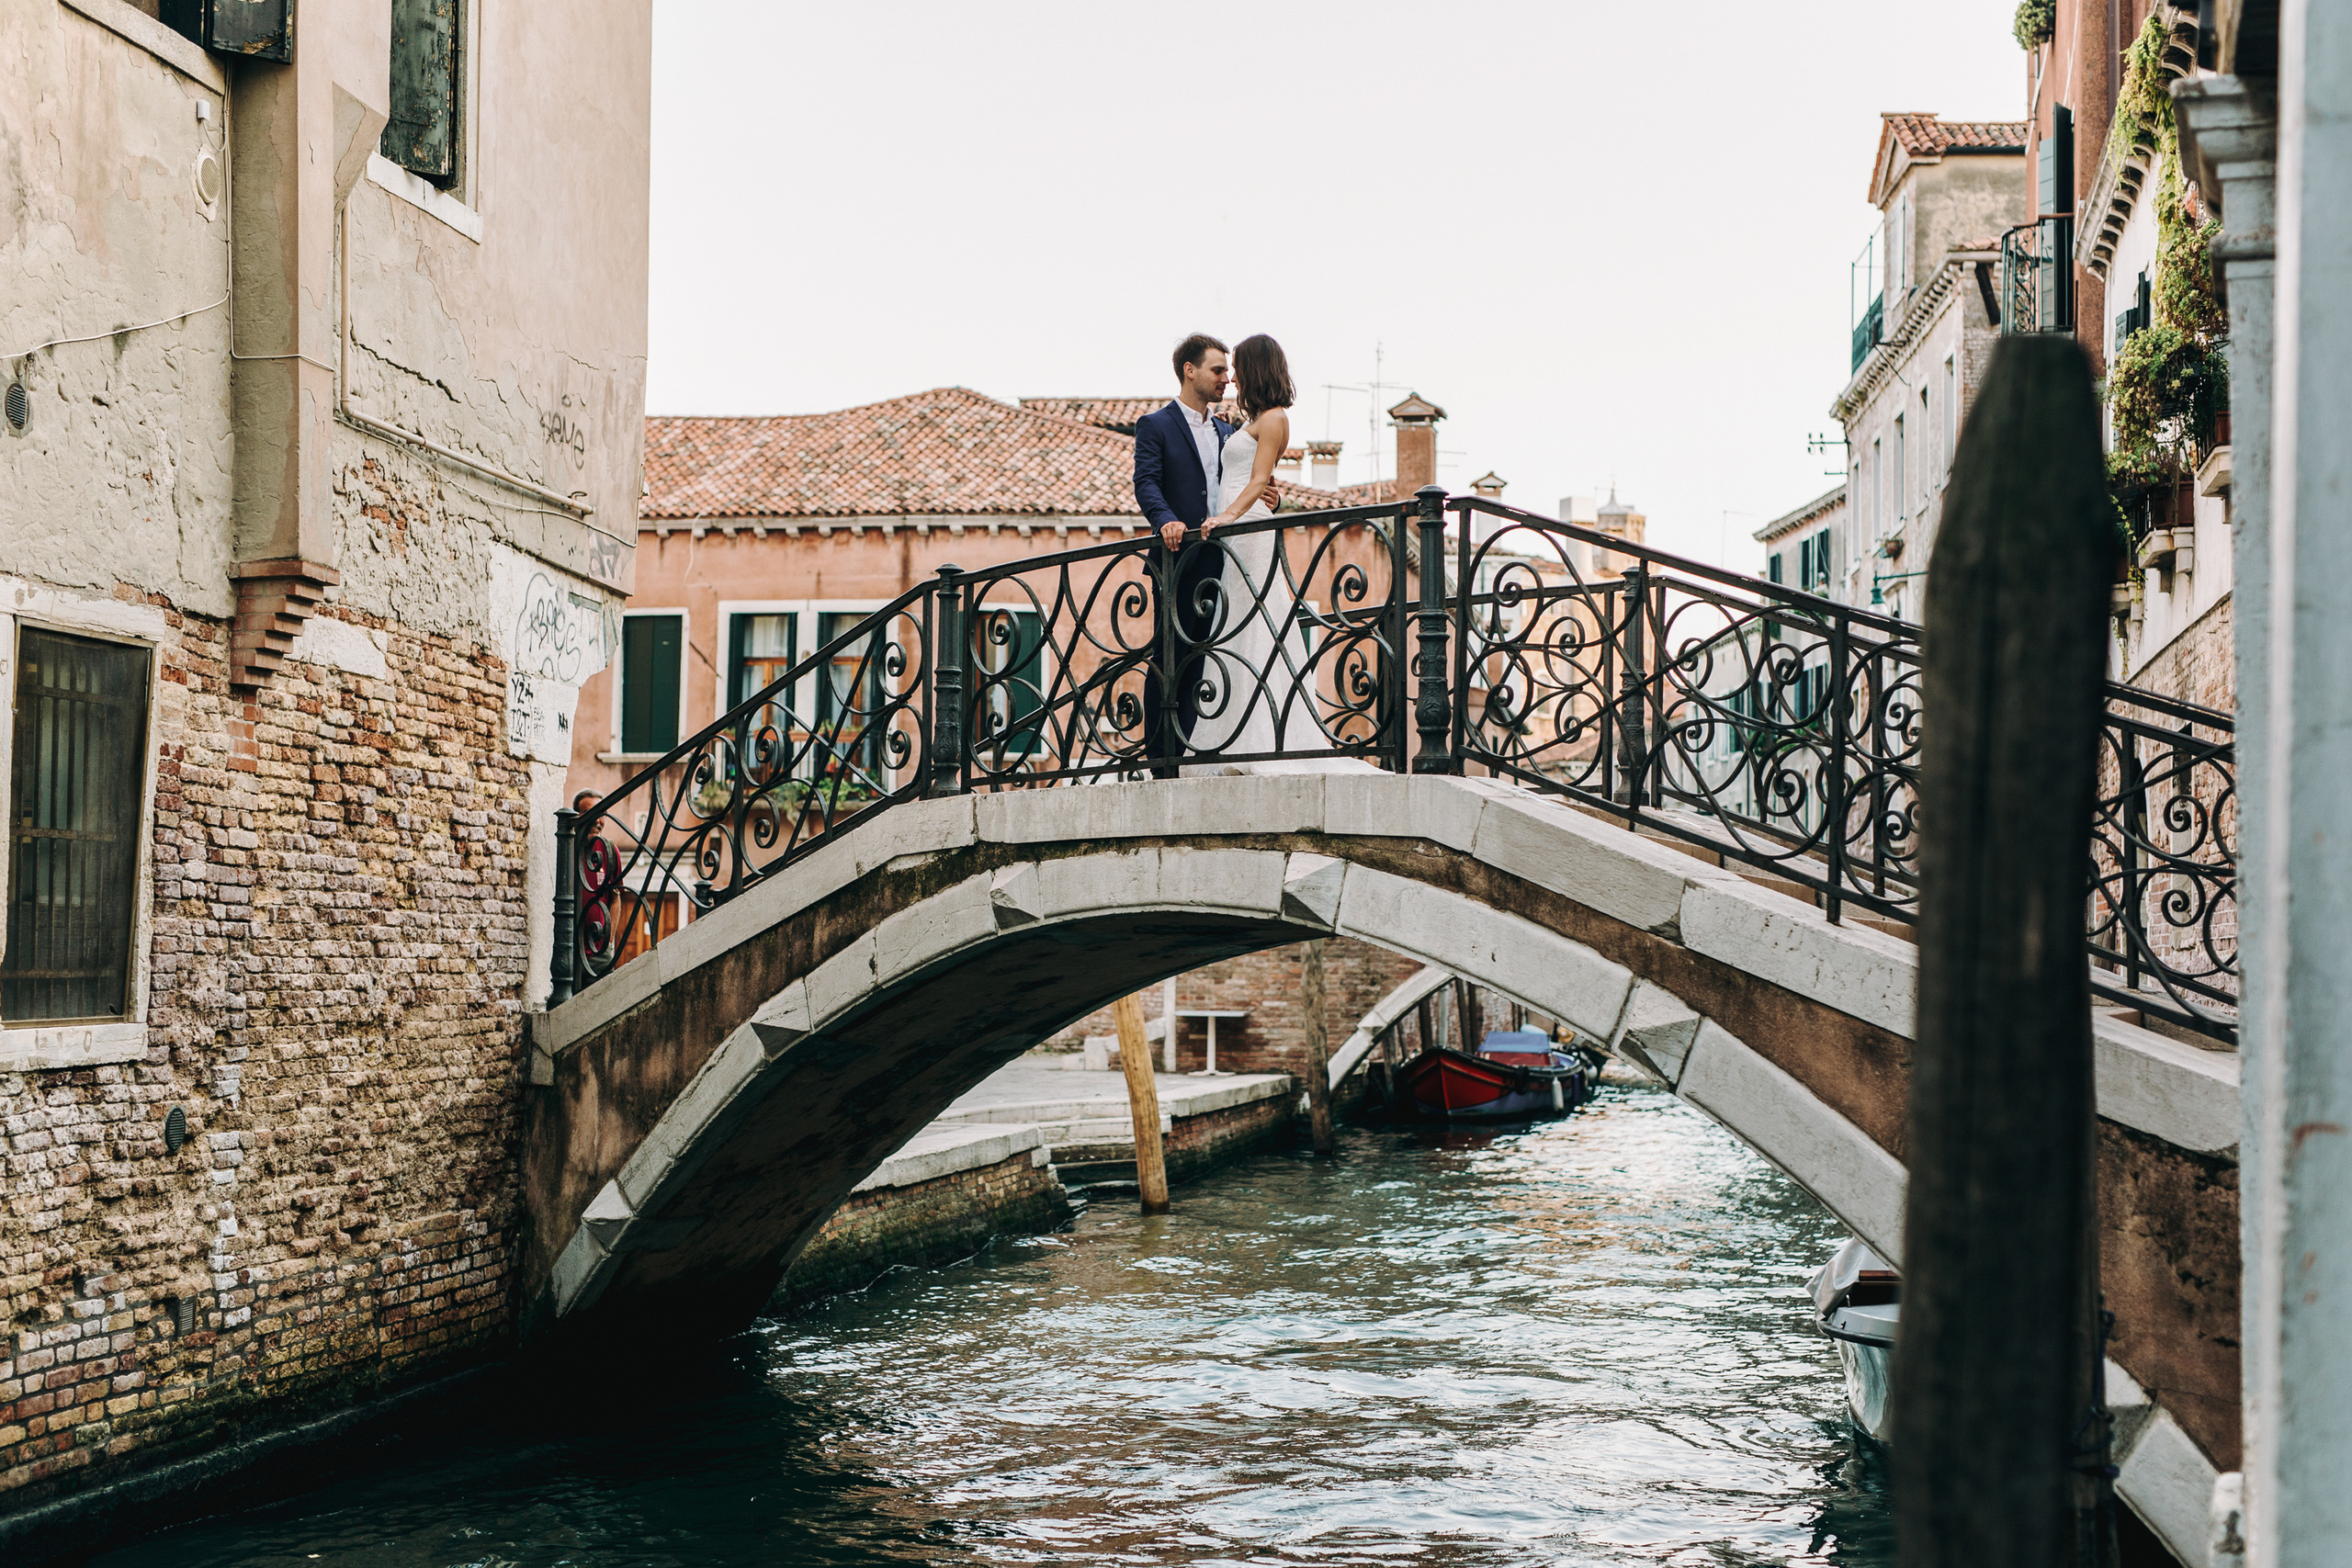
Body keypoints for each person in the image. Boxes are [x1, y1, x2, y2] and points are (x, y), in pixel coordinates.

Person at [1187, 333, 1295, 767]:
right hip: (1238, 527)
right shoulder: (1255, 420)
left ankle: (1257, 738)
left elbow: (1258, 480)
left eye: (1239, 369)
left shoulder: (1274, 417)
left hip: (1247, 528)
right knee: (1233, 624)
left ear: (1256, 368)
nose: (1233, 378)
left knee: (1254, 624)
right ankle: (1229, 735)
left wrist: (1225, 517)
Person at [1132, 333, 1232, 777]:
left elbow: (1239, 485)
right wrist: (1166, 520)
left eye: (1226, 371)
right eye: (1218, 370)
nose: (1225, 379)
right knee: (1169, 658)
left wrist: (1271, 497)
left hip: (1224, 561)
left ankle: (1195, 753)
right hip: (1176, 559)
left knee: (1210, 656)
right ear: (1190, 371)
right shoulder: (1155, 425)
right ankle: (1162, 762)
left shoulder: (1227, 430)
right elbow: (1146, 483)